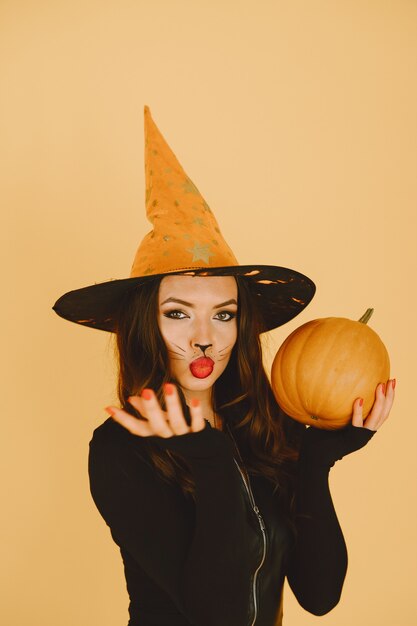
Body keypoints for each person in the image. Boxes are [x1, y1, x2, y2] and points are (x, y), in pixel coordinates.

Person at [52, 106, 395, 626]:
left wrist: (316, 460)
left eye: (224, 314)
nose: (205, 340)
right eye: (178, 314)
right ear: (147, 325)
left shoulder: (265, 426)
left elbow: (320, 595)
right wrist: (210, 460)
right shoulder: (121, 448)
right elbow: (218, 614)